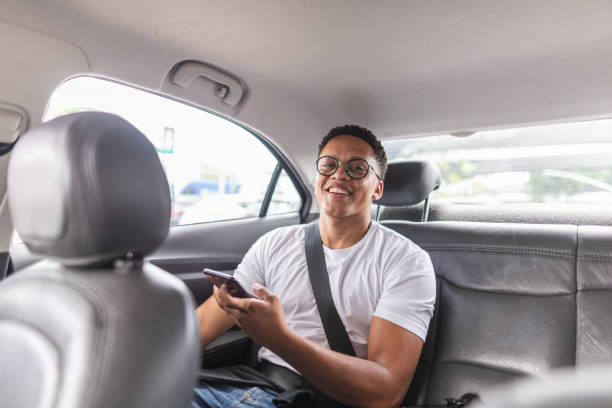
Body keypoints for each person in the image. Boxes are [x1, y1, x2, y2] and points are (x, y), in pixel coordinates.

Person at [193, 125, 436, 408]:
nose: (339, 174)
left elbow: (385, 392)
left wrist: (279, 338)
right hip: (250, 384)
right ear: (316, 177)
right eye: (329, 165)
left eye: (357, 168)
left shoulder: (406, 262)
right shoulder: (273, 244)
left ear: (377, 188)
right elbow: (202, 325)